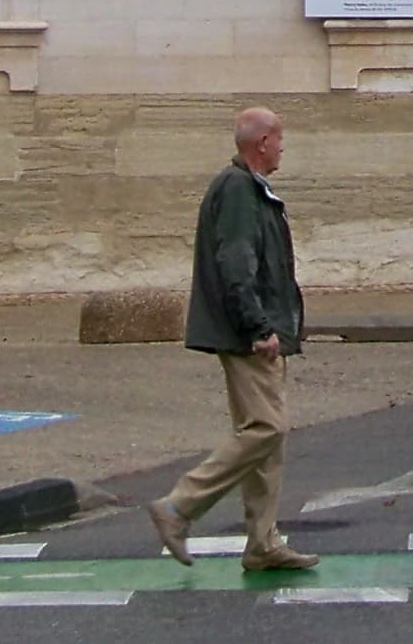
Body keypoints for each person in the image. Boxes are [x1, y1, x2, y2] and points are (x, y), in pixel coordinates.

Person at [149, 108, 314, 572]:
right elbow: (237, 262)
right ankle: (179, 506)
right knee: (268, 427)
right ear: (262, 141)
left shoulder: (248, 187)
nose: (284, 146)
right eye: (280, 138)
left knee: (266, 441)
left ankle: (262, 542)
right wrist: (258, 327)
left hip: (259, 331)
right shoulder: (239, 190)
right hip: (250, 335)